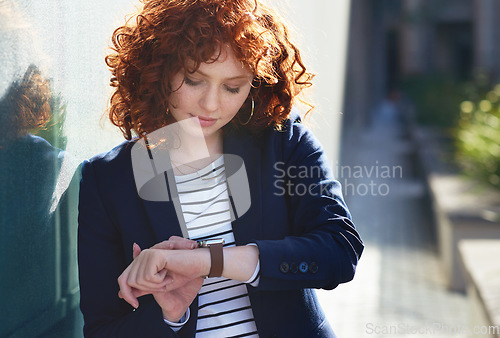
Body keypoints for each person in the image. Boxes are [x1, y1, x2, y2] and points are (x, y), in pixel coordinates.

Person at [77, 0, 364, 337]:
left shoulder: (283, 141)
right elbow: (103, 329)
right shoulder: (108, 179)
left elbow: (340, 250)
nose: (211, 105)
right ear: (159, 69)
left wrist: (209, 261)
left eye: (232, 87)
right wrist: (170, 316)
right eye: (194, 80)